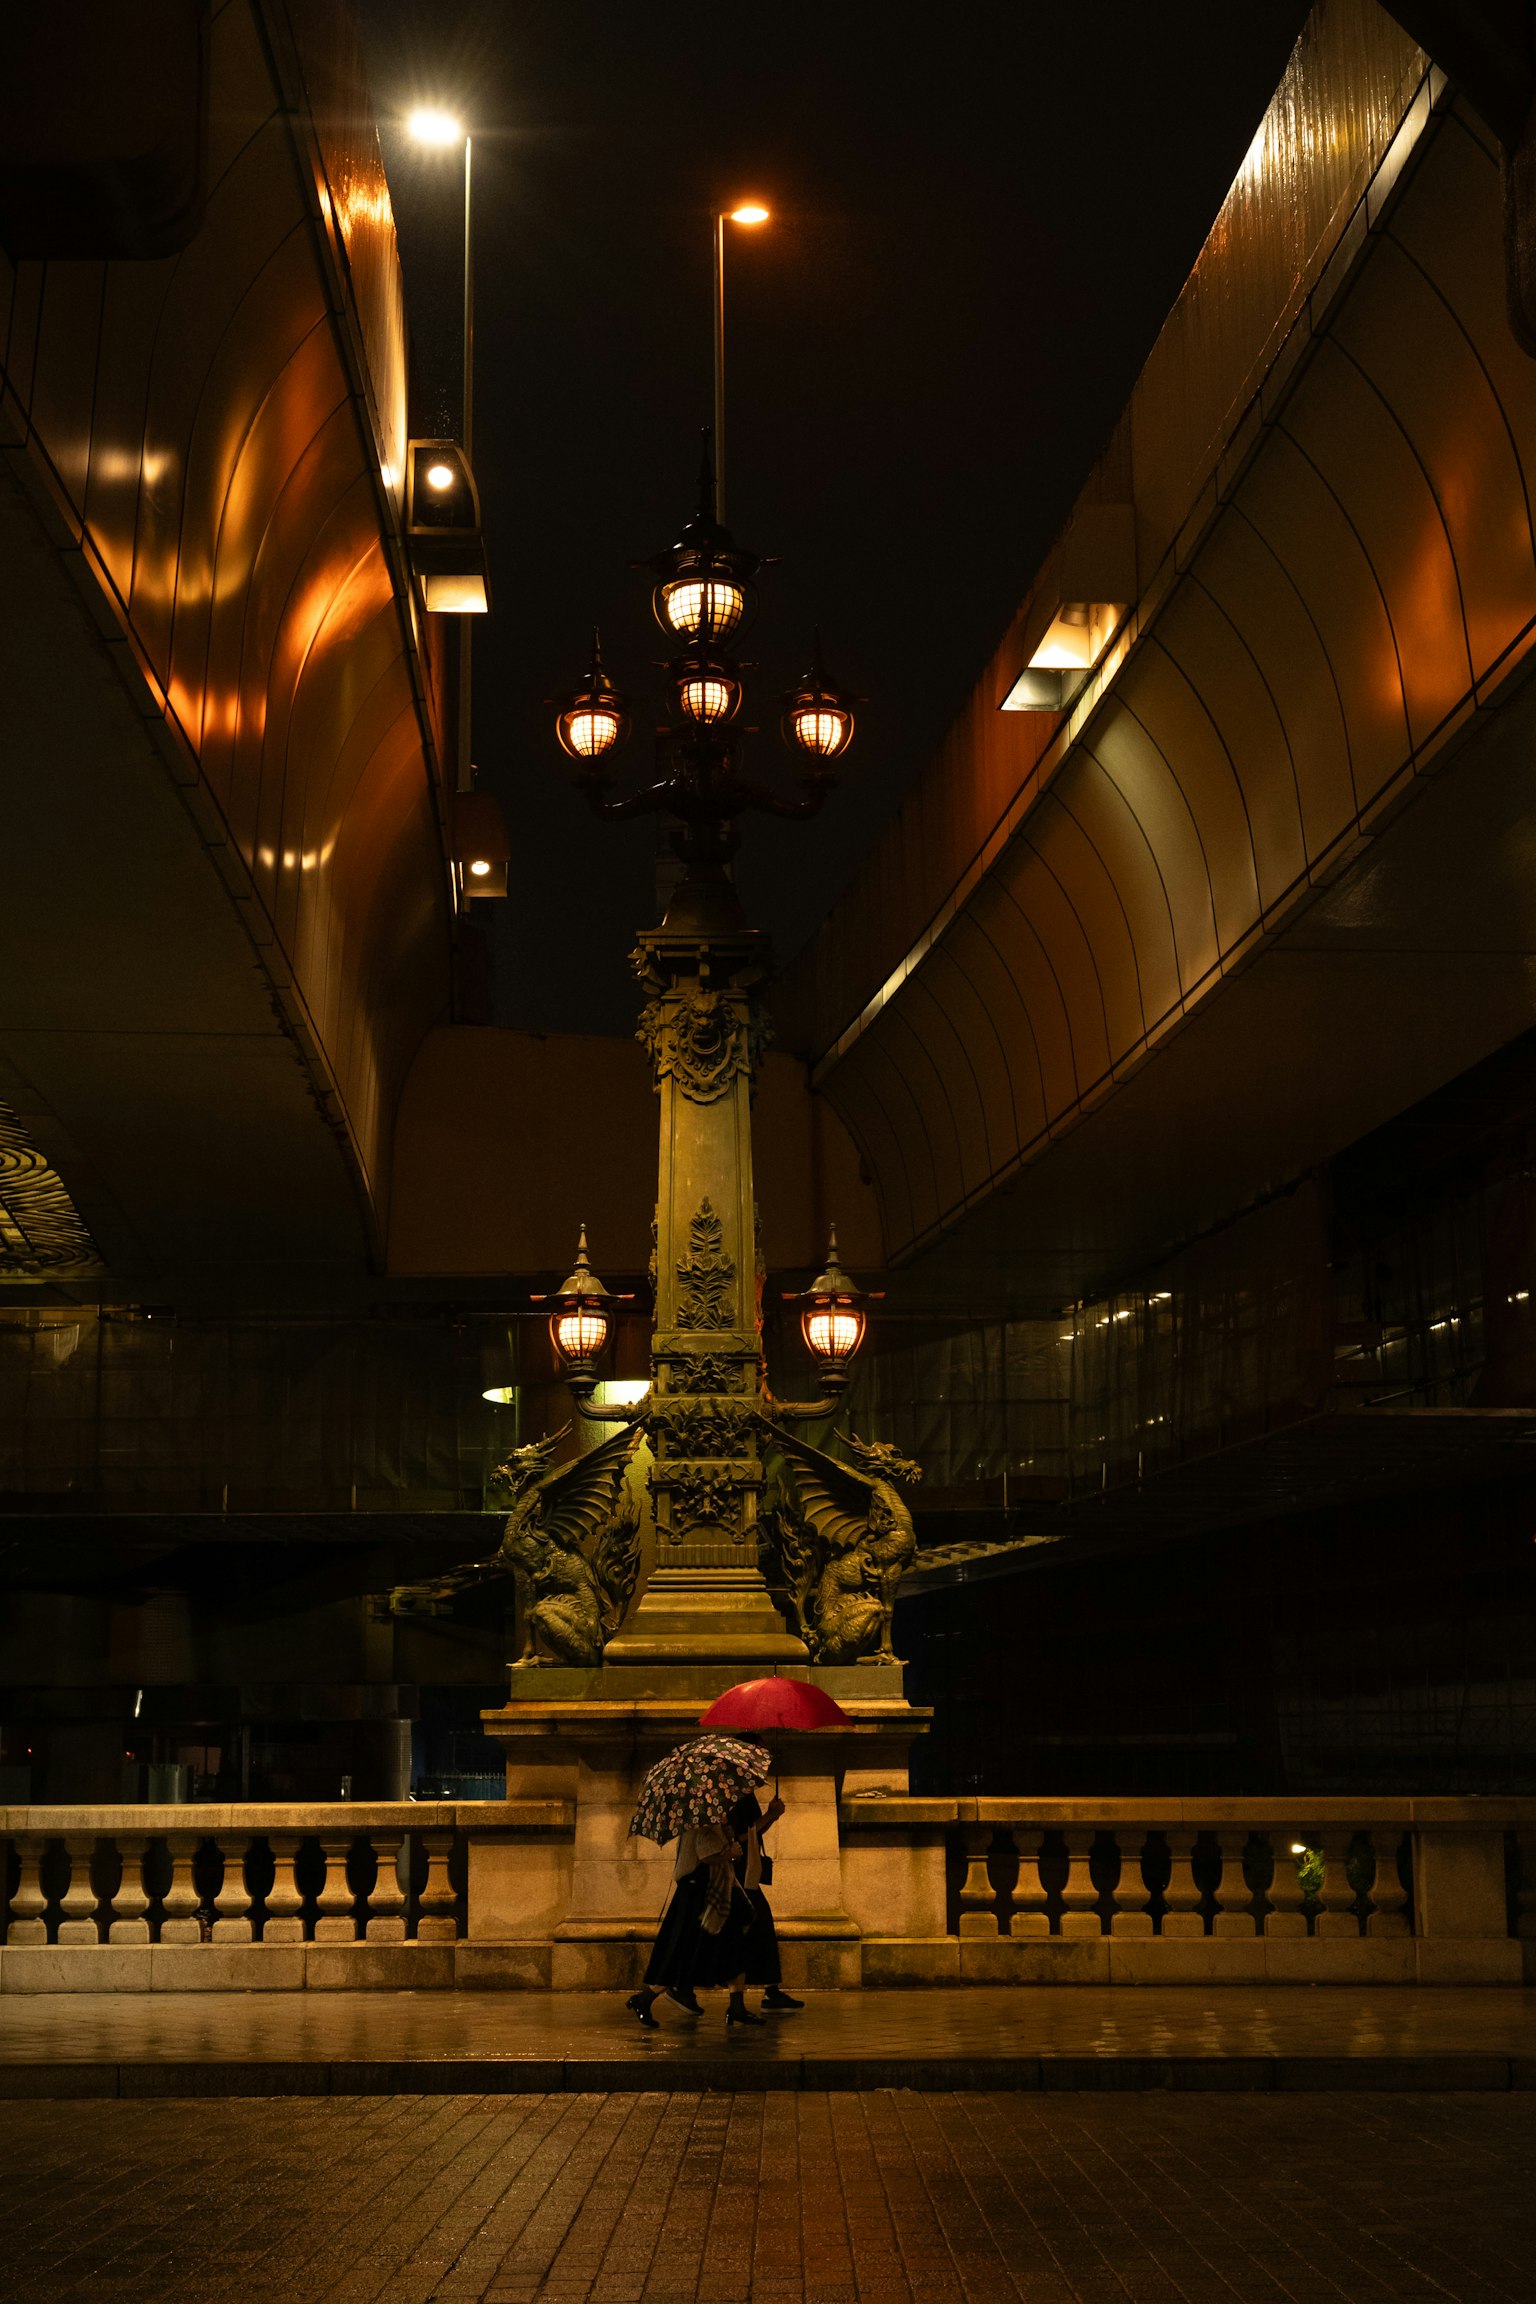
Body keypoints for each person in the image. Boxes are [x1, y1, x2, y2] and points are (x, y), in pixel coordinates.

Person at [626, 1783, 791, 2027]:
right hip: (700, 1895)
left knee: (736, 1946)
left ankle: (737, 2006)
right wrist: (730, 1852)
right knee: (686, 1952)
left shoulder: (714, 1819)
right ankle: (645, 1998)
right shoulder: (701, 1819)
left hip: (718, 1891)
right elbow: (706, 1855)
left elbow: (728, 1843)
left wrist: (732, 1836)